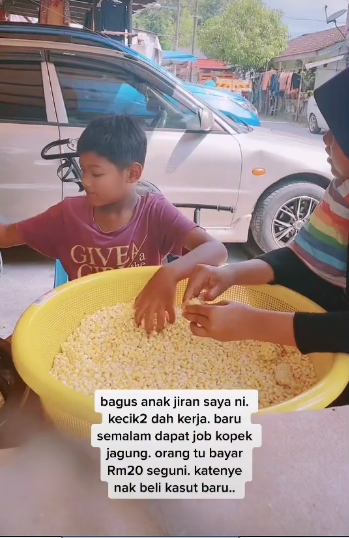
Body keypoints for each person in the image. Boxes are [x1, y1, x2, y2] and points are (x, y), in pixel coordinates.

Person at [0, 115, 227, 332]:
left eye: (96, 174)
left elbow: (216, 250)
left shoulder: (154, 212)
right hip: (84, 323)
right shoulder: (67, 215)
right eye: (84, 170)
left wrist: (168, 274)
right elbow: (7, 235)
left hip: (142, 317)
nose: (85, 181)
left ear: (132, 173)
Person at [183, 66, 349, 360]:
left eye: (337, 133)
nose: (326, 140)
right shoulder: (341, 191)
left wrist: (252, 323)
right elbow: (302, 261)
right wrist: (231, 273)